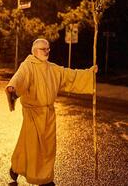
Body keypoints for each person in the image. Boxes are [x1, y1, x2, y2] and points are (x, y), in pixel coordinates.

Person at [5, 38, 98, 185]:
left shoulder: (52, 68)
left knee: (47, 149)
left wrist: (89, 74)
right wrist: (12, 88)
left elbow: (70, 76)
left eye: (48, 49)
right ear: (35, 51)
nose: (47, 51)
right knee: (32, 147)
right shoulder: (27, 66)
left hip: (48, 115)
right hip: (33, 115)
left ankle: (36, 174)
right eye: (44, 49)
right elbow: (19, 78)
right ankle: (36, 177)